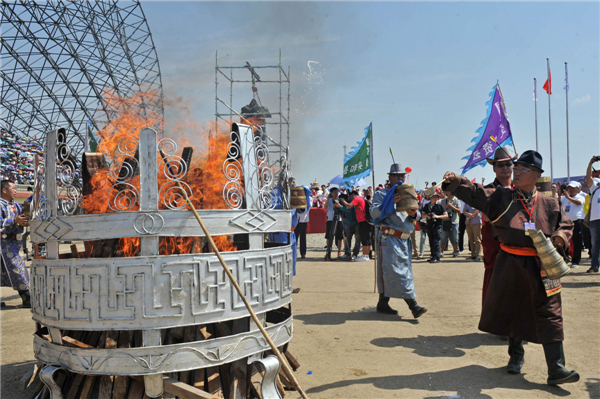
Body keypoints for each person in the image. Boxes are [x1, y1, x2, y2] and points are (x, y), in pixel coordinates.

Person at [442, 150, 579, 385]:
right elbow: (476, 194)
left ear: (536, 175)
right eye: (516, 168)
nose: (516, 171)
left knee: (552, 313)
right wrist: (456, 180)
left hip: (542, 264)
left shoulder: (549, 202)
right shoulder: (501, 197)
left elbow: (565, 225)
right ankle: (516, 358)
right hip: (510, 261)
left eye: (522, 169)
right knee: (513, 309)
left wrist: (559, 238)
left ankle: (556, 368)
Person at [372, 164, 427, 318]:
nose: (400, 179)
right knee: (399, 273)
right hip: (389, 238)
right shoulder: (381, 194)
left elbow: (418, 215)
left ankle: (383, 303)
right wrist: (391, 204)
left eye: (402, 176)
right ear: (389, 177)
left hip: (404, 240)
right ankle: (413, 306)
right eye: (397, 176)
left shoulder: (408, 192)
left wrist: (413, 213)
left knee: (395, 272)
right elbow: (374, 213)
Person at [481, 147, 515, 305]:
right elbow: (486, 217)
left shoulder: (521, 190)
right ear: (494, 168)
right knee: (496, 278)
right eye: (500, 165)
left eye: (508, 164)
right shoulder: (489, 190)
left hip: (518, 241)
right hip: (497, 243)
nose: (505, 168)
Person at [1, 180, 31, 308]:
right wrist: (14, 220)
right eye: (13, 188)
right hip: (3, 243)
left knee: (14, 269)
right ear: (4, 190)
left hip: (13, 243)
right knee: (18, 269)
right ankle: (27, 298)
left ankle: (26, 298)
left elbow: (20, 221)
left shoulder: (16, 206)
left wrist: (24, 221)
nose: (16, 191)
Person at [340, 190, 371, 262]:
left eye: (351, 196)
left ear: (353, 194)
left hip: (363, 221)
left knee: (364, 239)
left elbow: (349, 206)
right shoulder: (361, 198)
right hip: (364, 220)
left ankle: (365, 255)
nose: (351, 198)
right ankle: (366, 255)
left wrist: (342, 201)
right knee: (366, 238)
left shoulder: (357, 198)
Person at [561, 181, 585, 268]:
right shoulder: (564, 198)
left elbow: (578, 203)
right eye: (569, 188)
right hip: (565, 223)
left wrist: (567, 197)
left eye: (573, 188)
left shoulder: (580, 197)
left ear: (577, 189)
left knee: (577, 242)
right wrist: (560, 196)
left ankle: (575, 261)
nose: (570, 190)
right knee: (564, 241)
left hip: (576, 222)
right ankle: (565, 258)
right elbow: (557, 203)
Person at [422, 192, 447, 263]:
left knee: (436, 241)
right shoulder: (427, 206)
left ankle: (437, 257)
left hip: (438, 225)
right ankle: (432, 256)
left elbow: (446, 215)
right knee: (431, 241)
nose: (435, 198)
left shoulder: (440, 205)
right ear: (430, 198)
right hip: (430, 225)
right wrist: (427, 215)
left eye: (436, 197)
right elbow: (422, 215)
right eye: (434, 197)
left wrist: (437, 216)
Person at [585, 156, 600, 273]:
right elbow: (588, 177)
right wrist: (591, 162)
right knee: (594, 244)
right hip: (594, 219)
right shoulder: (595, 186)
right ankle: (594, 265)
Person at [339, 193, 361, 260]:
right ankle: (347, 253)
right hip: (350, 223)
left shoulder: (351, 202)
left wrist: (341, 205)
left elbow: (349, 210)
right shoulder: (344, 203)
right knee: (348, 238)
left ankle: (355, 254)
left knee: (357, 239)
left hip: (357, 222)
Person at [325, 187, 344, 261]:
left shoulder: (340, 200)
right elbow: (325, 207)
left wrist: (338, 204)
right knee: (329, 236)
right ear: (331, 193)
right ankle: (328, 251)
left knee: (339, 237)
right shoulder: (329, 200)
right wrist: (327, 199)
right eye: (335, 192)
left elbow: (342, 208)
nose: (336, 193)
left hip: (338, 219)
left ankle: (339, 252)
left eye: (337, 192)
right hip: (330, 219)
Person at [440, 191, 461, 257]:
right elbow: (440, 210)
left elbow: (459, 210)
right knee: (443, 238)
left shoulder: (456, 201)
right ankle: (441, 252)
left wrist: (451, 206)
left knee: (455, 238)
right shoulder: (443, 201)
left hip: (454, 222)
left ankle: (455, 252)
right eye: (450, 192)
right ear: (447, 193)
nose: (451, 194)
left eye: (453, 192)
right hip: (445, 221)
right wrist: (445, 208)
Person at [294, 186, 312, 260]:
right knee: (294, 237)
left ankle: (303, 253)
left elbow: (303, 207)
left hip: (303, 220)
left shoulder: (309, 199)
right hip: (296, 219)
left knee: (302, 238)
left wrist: (297, 197)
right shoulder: (295, 199)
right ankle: (293, 252)